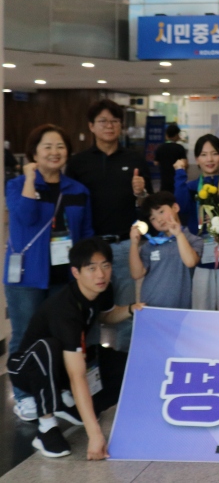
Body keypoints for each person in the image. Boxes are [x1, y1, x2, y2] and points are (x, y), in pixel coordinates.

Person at [7, 238, 140, 459]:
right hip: (27, 368)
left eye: (105, 266)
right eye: (92, 268)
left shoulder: (102, 289)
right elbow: (76, 374)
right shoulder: (64, 309)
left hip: (59, 365)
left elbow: (106, 315)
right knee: (49, 347)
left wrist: (132, 309)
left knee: (126, 365)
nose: (100, 274)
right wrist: (95, 435)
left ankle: (70, 406)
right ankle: (46, 427)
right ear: (76, 272)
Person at [5, 125, 93, 422]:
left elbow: (86, 233)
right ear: (34, 152)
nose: (54, 152)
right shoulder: (17, 185)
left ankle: (57, 390)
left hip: (64, 277)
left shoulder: (77, 190)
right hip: (27, 277)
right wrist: (31, 178)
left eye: (60, 146)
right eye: (47, 146)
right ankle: (24, 396)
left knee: (61, 336)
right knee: (24, 334)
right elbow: (26, 216)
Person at [66, 99, 151, 351]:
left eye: (114, 121)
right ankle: (92, 363)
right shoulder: (78, 163)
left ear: (121, 126)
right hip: (90, 249)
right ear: (91, 126)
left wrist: (141, 192)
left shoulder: (135, 160)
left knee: (126, 312)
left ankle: (123, 365)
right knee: (89, 312)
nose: (109, 126)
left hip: (124, 246)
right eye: (103, 121)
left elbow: (148, 205)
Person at [173, 134, 219, 311]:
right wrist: (180, 173)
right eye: (204, 155)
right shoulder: (190, 187)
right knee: (201, 310)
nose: (209, 159)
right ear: (197, 159)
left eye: (214, 153)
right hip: (200, 257)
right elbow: (180, 207)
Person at [128, 192, 202, 309]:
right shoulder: (151, 244)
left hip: (179, 309)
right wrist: (134, 243)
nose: (159, 219)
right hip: (149, 306)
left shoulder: (193, 240)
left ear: (175, 207)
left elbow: (190, 262)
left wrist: (178, 234)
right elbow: (137, 274)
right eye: (153, 218)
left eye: (161, 212)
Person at [153, 124, 186, 194]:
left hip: (164, 181)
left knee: (165, 197)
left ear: (167, 135)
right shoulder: (180, 148)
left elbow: (156, 162)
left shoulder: (160, 147)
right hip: (177, 181)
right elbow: (185, 164)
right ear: (176, 135)